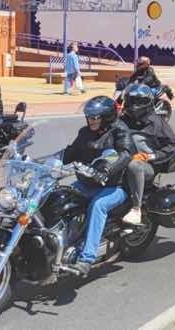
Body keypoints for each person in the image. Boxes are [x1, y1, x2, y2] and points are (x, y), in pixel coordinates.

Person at [62, 96, 133, 276]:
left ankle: (87, 257)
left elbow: (124, 154)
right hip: (87, 182)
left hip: (115, 186)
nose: (91, 120)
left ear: (107, 117)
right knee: (60, 196)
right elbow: (70, 152)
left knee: (98, 206)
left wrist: (108, 169)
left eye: (95, 117)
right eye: (89, 116)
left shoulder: (119, 131)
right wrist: (48, 161)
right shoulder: (85, 132)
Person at [120, 83, 175, 225]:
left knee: (134, 165)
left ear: (145, 103)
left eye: (137, 102)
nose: (133, 105)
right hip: (122, 159)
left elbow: (172, 145)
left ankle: (136, 209)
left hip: (146, 165)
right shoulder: (122, 120)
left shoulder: (156, 122)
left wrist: (150, 156)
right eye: (131, 101)